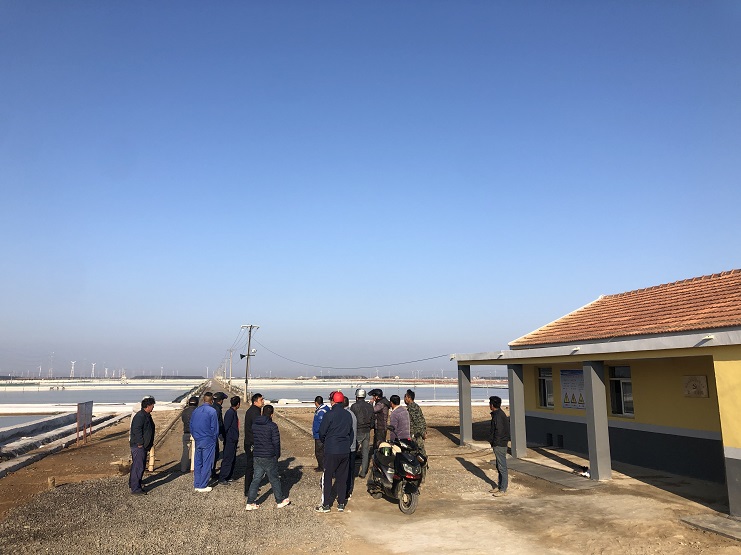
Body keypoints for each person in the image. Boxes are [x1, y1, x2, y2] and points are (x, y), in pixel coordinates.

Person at [245, 404, 291, 510]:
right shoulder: (272, 426)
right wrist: (277, 455)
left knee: (256, 479)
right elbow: (276, 442)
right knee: (274, 479)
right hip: (269, 455)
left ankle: (250, 502)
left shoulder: (255, 425)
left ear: (262, 413)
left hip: (257, 455)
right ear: (271, 414)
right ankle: (279, 500)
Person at [315, 391, 353, 513]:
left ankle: (326, 505)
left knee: (328, 477)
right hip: (344, 450)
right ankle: (341, 503)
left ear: (333, 401)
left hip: (331, 450)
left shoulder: (329, 415)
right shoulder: (348, 415)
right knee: (342, 477)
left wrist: (327, 442)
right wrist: (346, 445)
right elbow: (351, 433)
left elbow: (322, 432)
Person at [190, 392, 219, 493]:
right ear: (212, 401)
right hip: (208, 439)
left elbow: (191, 425)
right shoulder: (212, 411)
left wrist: (195, 435)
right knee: (207, 462)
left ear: (203, 400)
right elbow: (214, 428)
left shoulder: (196, 410)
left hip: (198, 438)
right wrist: (214, 438)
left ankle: (197, 483)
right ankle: (203, 485)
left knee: (198, 462)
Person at [129, 396, 155, 495]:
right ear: (148, 406)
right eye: (152, 406)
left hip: (142, 445)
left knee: (138, 465)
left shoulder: (145, 415)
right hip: (139, 446)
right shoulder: (140, 416)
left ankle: (135, 483)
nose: (153, 407)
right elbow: (136, 429)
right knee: (138, 466)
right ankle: (135, 488)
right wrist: (140, 443)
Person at [243, 392, 265, 499]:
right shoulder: (254, 412)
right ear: (255, 402)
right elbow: (257, 429)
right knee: (250, 466)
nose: (263, 402)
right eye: (261, 400)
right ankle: (248, 490)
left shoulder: (254, 410)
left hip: (251, 441)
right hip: (252, 443)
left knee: (254, 466)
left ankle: (252, 486)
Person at [489, 395, 511, 497]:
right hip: (499, 443)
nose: (489, 405)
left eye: (490, 403)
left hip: (500, 444)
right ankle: (500, 486)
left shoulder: (498, 416)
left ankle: (503, 489)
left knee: (502, 466)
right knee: (499, 465)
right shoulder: (498, 414)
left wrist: (495, 442)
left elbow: (499, 431)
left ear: (492, 405)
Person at [350, 388, 373, 478]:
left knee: (353, 451)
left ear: (357, 396)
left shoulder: (354, 406)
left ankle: (352, 471)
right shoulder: (369, 406)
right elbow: (373, 420)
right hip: (367, 430)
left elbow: (351, 419)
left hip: (358, 431)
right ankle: (363, 472)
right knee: (365, 453)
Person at [218, 396, 240, 484]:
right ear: (238, 404)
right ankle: (222, 477)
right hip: (230, 439)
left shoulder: (233, 412)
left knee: (232, 458)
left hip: (233, 439)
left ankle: (228, 476)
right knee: (228, 458)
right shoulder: (230, 413)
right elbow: (226, 426)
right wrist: (225, 437)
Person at [343, 395, 358, 500]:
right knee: (349, 470)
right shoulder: (351, 414)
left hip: (348, 447)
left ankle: (347, 491)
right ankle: (347, 490)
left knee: (347, 470)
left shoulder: (347, 415)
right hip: (351, 446)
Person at [404, 389, 427, 457]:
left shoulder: (412, 408)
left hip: (416, 435)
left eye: (405, 397)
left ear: (409, 398)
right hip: (416, 434)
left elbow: (418, 422)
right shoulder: (414, 406)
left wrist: (421, 433)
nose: (405, 399)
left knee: (419, 452)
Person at [180, 396, 198, 473]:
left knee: (185, 451)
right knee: (194, 450)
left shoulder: (184, 411)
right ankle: (192, 468)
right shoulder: (198, 411)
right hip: (195, 434)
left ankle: (183, 468)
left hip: (186, 433)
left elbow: (183, 420)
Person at [312, 395, 330, 472]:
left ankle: (322, 467)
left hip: (319, 435)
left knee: (319, 452)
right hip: (321, 434)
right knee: (322, 451)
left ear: (316, 402)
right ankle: (322, 466)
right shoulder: (324, 409)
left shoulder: (321, 412)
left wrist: (317, 431)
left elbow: (320, 424)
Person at [212, 392, 227, 479]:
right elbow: (218, 422)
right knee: (215, 454)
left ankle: (211, 471)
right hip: (214, 435)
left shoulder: (213, 407)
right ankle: (212, 472)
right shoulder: (217, 409)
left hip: (212, 434)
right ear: (220, 400)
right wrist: (221, 434)